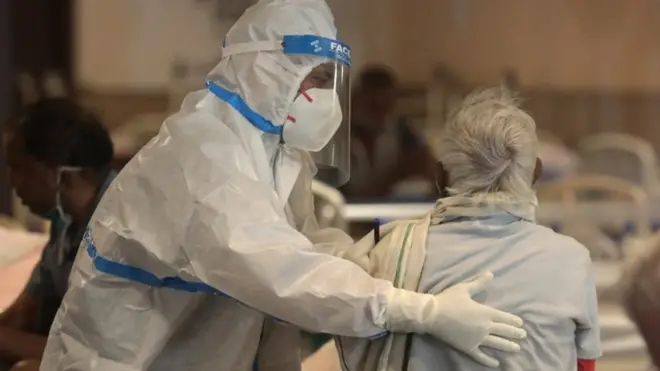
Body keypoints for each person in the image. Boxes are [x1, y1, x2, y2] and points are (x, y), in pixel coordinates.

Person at [40, 1, 527, 370]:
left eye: (329, 80)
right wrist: (418, 309)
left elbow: (307, 243)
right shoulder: (203, 160)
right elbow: (283, 274)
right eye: (313, 79)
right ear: (266, 71)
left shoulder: (277, 151)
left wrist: (393, 261)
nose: (324, 98)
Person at [337, 87, 602, 370]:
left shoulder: (386, 249)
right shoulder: (572, 260)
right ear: (535, 173)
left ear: (439, 176)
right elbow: (583, 365)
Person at [0, 98, 114, 371]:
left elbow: (87, 354)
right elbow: (23, 313)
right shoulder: (66, 226)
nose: (12, 182)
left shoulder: (117, 236)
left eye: (20, 169)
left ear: (64, 177)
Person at [341, 65, 437, 199]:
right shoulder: (336, 136)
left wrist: (391, 179)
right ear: (355, 99)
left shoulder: (402, 131)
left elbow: (427, 166)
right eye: (372, 106)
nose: (379, 114)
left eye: (385, 107)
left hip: (388, 211)